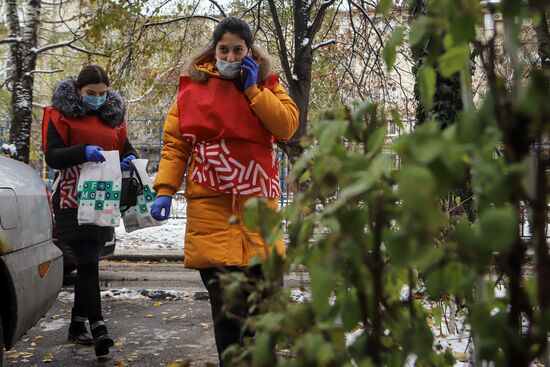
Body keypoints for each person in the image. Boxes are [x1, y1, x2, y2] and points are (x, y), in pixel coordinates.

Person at [150, 16, 299, 365]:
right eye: (224, 50)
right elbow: (175, 144)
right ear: (213, 50)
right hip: (211, 209)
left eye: (238, 50)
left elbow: (287, 126)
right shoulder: (192, 90)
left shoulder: (267, 85)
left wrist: (253, 90)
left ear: (250, 53)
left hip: (257, 210)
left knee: (257, 304)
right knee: (225, 308)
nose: (231, 57)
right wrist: (165, 189)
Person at [43, 65, 137, 358]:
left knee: (92, 258)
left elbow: (126, 149)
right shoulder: (60, 115)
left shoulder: (114, 117)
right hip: (72, 197)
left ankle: (76, 324)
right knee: (86, 260)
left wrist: (129, 159)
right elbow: (53, 156)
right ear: (78, 91)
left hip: (104, 195)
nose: (96, 98)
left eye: (102, 93)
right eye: (90, 93)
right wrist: (82, 151)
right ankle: (98, 328)